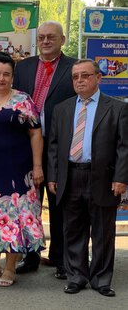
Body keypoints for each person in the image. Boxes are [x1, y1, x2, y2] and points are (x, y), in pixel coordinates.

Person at [48, 59, 128, 297]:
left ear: (98, 78)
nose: (80, 81)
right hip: (70, 176)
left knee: (103, 232)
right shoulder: (62, 109)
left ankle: (102, 279)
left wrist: (121, 177)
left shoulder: (117, 108)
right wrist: (53, 176)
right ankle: (76, 276)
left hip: (102, 178)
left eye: (85, 76)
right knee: (73, 230)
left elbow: (124, 147)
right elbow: (53, 146)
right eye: (75, 77)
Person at [0, 52, 45, 287]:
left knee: (14, 216)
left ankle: (10, 268)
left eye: (6, 74)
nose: (1, 78)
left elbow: (35, 133)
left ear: (12, 76)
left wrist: (37, 165)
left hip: (17, 170)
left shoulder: (23, 99)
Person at [13, 21, 76, 279]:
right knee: (30, 204)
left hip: (59, 146)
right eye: (41, 37)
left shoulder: (74, 68)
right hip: (27, 145)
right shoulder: (24, 67)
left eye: (51, 37)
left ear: (62, 39)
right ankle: (31, 256)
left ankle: (61, 258)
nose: (46, 41)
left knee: (59, 202)